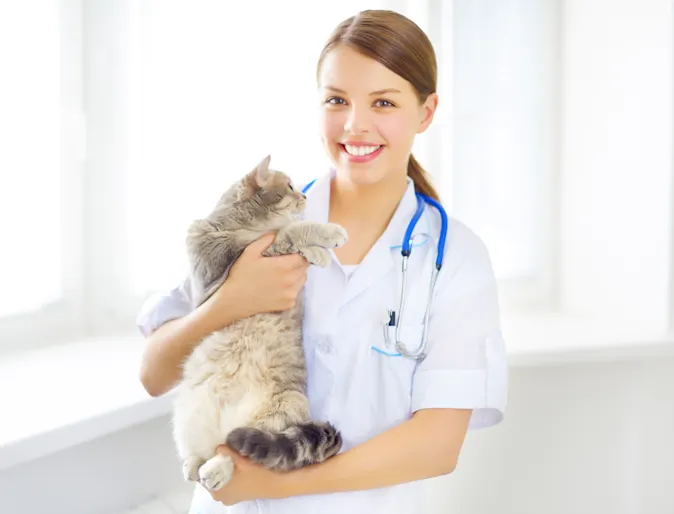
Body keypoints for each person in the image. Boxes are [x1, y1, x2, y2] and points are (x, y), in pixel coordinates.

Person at [136, 9, 508, 514]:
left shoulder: (455, 260)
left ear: (425, 112)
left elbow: (437, 446)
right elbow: (154, 374)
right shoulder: (263, 218)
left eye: (384, 102)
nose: (356, 125)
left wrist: (271, 485)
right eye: (337, 100)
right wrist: (231, 301)